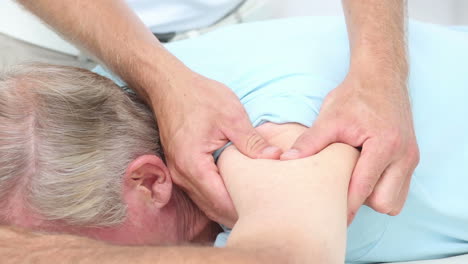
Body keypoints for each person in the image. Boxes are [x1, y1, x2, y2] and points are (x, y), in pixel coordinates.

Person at [0, 17, 467, 263]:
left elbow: (283, 262)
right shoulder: (90, 100)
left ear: (148, 181)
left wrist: (29, 253)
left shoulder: (273, 146)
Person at [17, 0, 419, 226]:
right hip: (43, 35)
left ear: (151, 181)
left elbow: (284, 251)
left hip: (238, 18)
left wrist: (380, 69)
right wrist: (161, 79)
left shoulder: (276, 116)